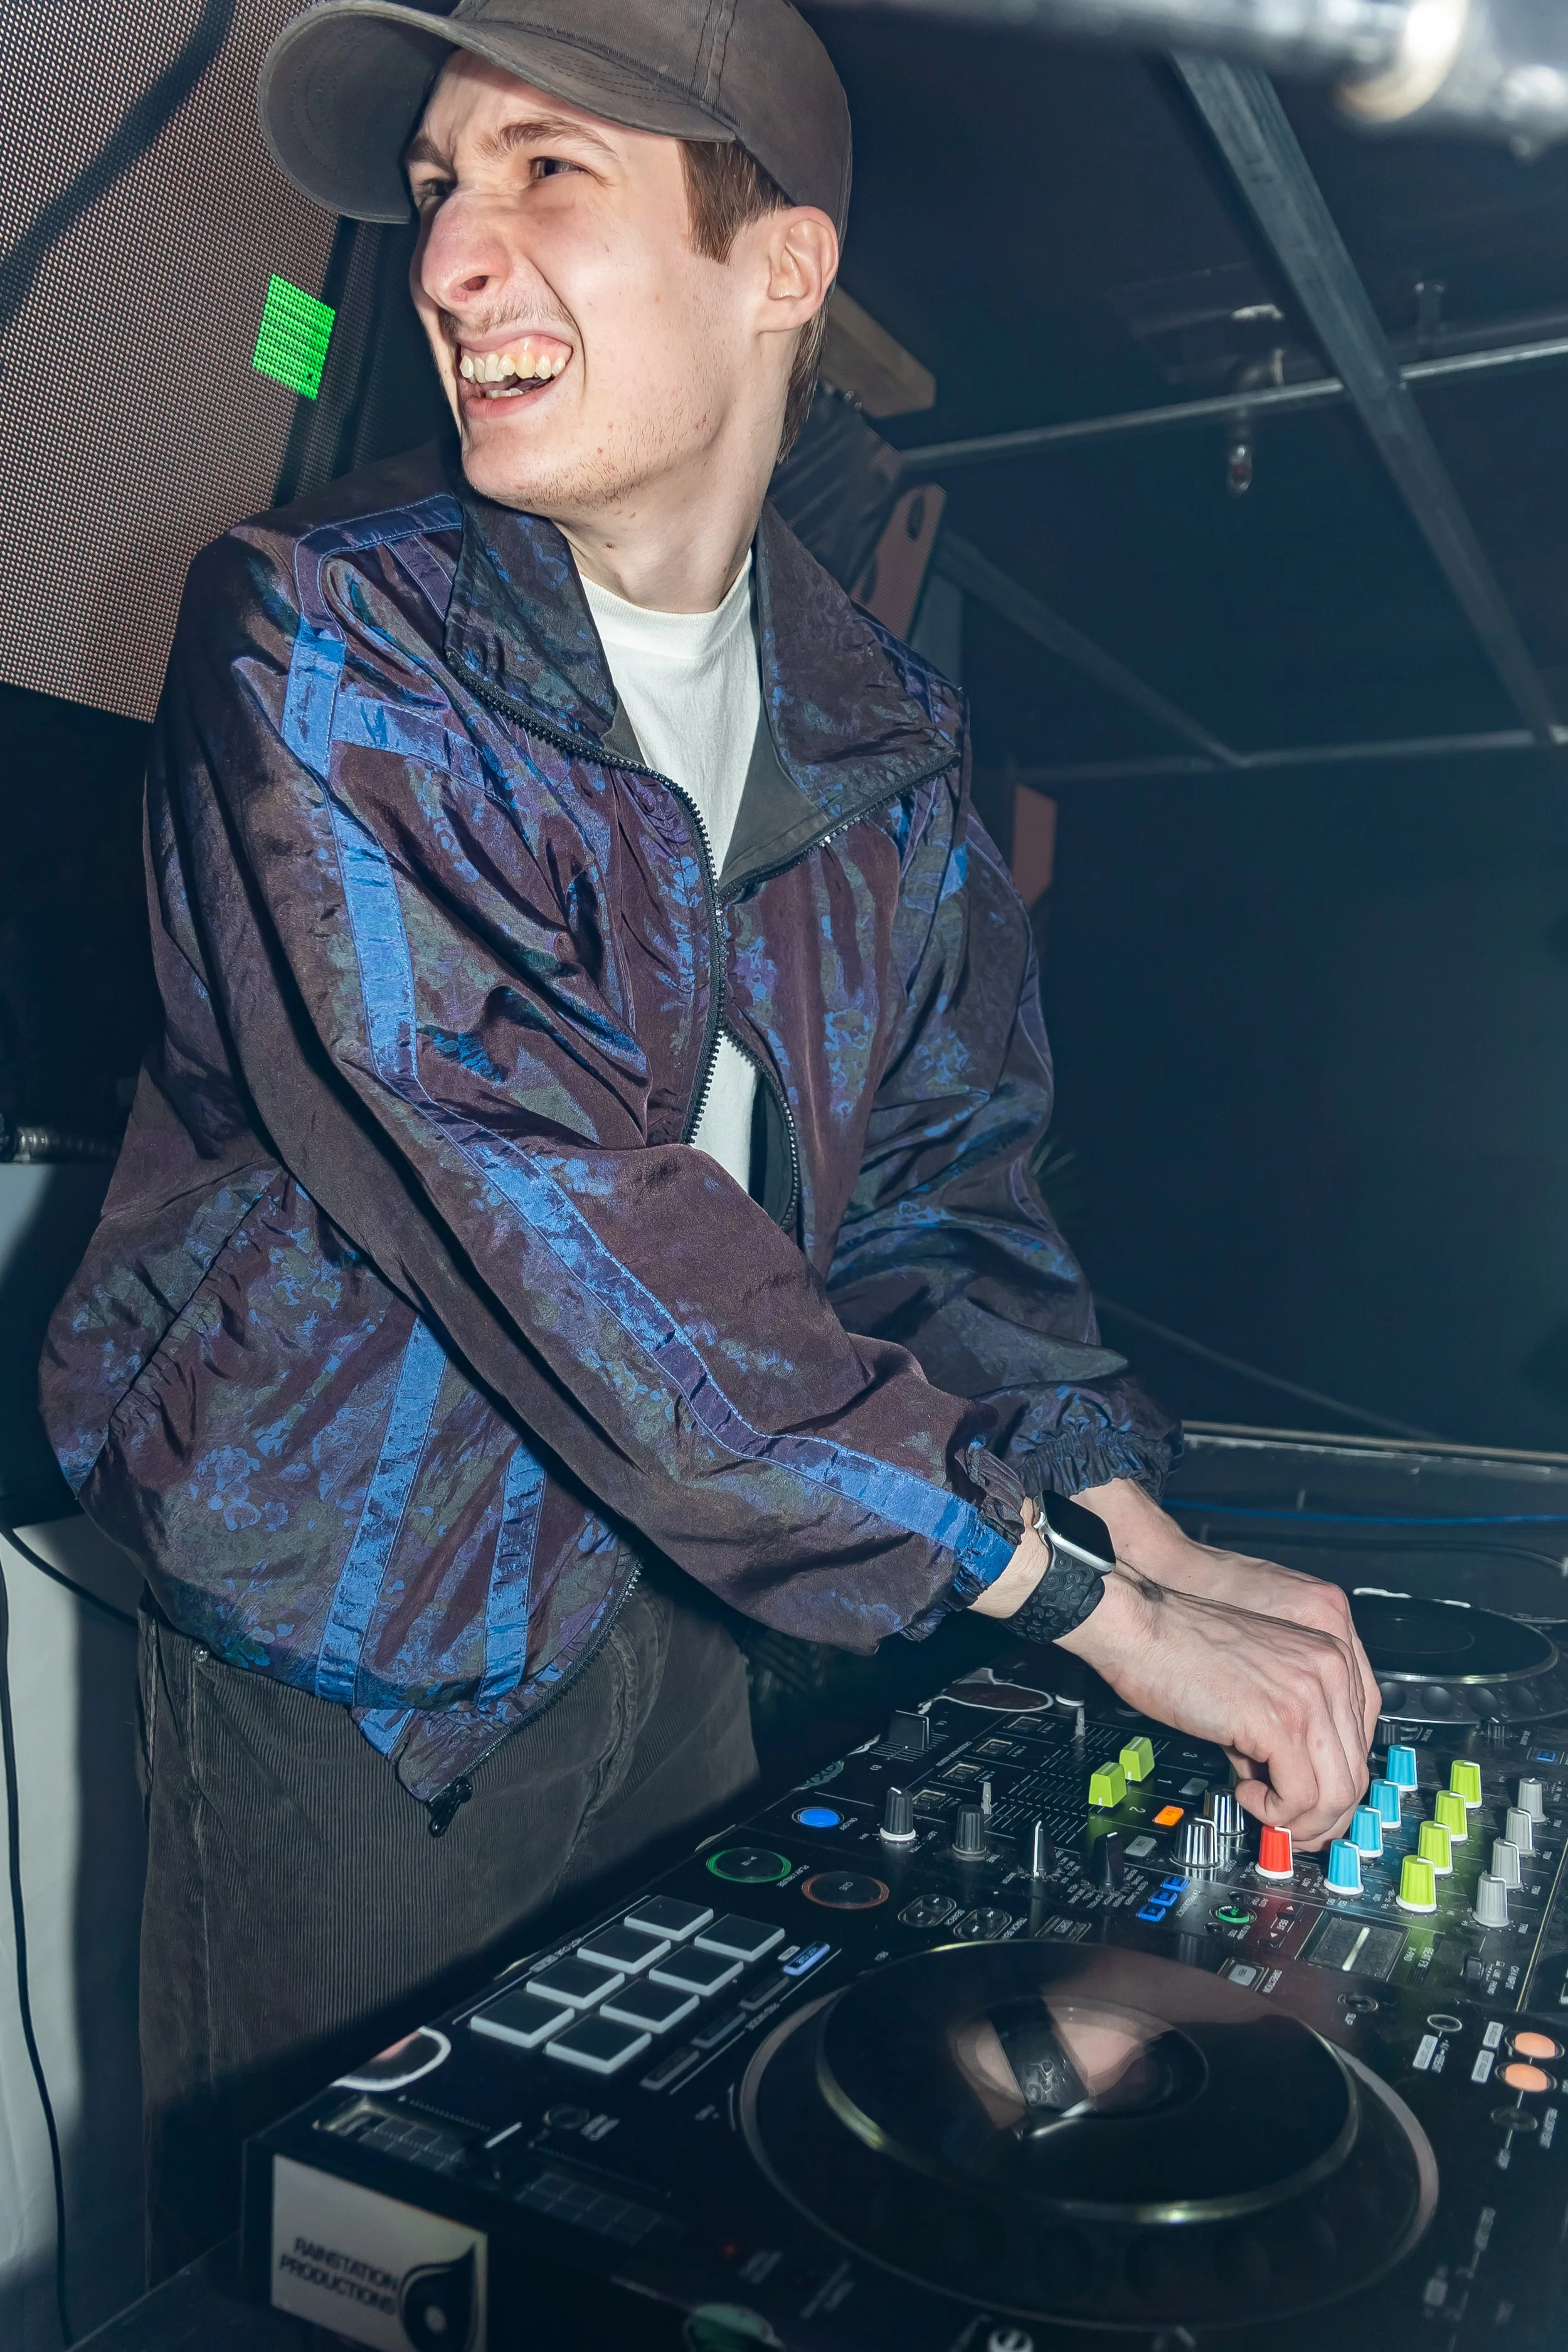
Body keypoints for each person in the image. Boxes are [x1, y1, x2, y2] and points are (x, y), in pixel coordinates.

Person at [41, 0, 1377, 2278]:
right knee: (343, 2278)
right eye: (443, 189)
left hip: (694, 1614)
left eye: (545, 171)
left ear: (778, 270)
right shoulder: (322, 643)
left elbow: (948, 1197)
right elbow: (571, 1226)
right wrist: (1089, 1605)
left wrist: (1158, 1537)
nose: (452, 255)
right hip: (363, 1659)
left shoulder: (885, 722)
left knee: (640, 2235)